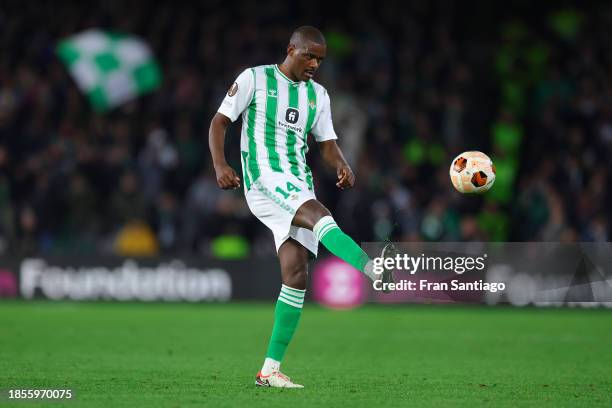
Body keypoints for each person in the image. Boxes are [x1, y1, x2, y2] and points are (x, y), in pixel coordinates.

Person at [208, 26, 394, 388]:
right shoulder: (255, 79)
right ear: (290, 50)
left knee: (296, 275)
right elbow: (220, 122)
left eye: (320, 59)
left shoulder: (318, 96)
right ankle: (373, 270)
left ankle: (269, 370)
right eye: (309, 55)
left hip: (298, 181)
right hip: (264, 177)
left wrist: (341, 163)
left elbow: (326, 143)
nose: (314, 64)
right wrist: (220, 164)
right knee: (321, 216)